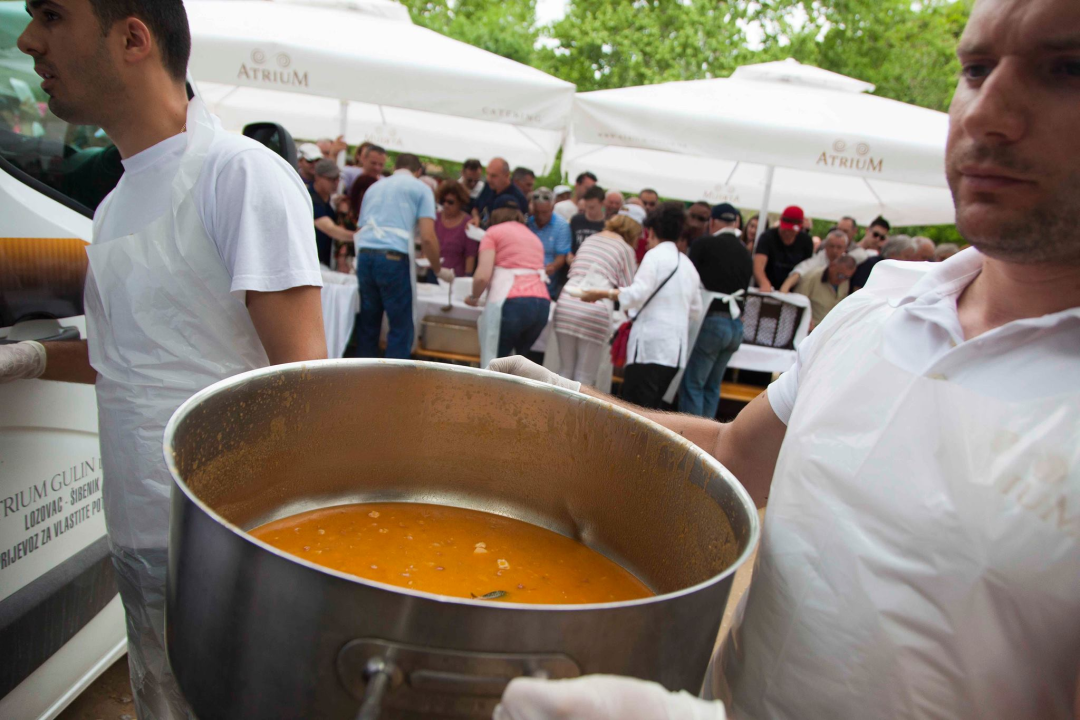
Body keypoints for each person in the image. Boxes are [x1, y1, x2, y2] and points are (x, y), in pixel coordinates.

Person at [490, 3, 1080, 718]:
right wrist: (568, 411)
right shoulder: (880, 306)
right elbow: (735, 457)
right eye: (976, 69)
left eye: (1066, 70)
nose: (989, 114)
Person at [4, 3, 328, 718]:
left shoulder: (240, 176)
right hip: (136, 527)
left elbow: (304, 388)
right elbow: (130, 357)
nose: (29, 42)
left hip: (222, 550)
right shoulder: (117, 204)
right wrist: (28, 358)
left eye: (51, 16)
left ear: (133, 38)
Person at [580, 202, 703, 409]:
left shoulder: (654, 257)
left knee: (635, 413)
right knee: (653, 412)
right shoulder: (688, 265)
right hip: (674, 352)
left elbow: (637, 293)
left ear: (652, 231)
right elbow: (696, 310)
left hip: (649, 347)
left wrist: (602, 293)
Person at [355, 153, 452, 359]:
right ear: (418, 172)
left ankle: (361, 381)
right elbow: (428, 237)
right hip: (393, 257)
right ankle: (395, 385)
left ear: (395, 167)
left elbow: (361, 226)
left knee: (368, 323)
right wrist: (437, 269)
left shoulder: (375, 187)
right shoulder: (421, 188)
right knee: (400, 326)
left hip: (365, 255)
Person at [679, 203, 752, 418]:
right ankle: (708, 439)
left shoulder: (704, 244)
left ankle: (692, 440)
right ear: (736, 223)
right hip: (735, 324)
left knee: (693, 384)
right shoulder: (746, 252)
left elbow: (689, 281)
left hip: (711, 322)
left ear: (712, 222)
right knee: (712, 386)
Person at [552, 212, 640, 387]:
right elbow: (629, 288)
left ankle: (555, 412)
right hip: (596, 307)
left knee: (565, 370)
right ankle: (575, 414)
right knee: (584, 375)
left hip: (567, 301)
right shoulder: (625, 249)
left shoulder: (590, 239)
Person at [467, 203, 551, 359]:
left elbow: (482, 276)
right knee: (517, 365)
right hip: (542, 305)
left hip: (513, 302)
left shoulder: (493, 233)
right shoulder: (533, 237)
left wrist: (474, 297)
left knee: (496, 364)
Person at [752, 205, 813, 292]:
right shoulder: (767, 237)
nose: (787, 233)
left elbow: (805, 268)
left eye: (791, 231)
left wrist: (788, 285)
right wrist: (763, 282)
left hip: (792, 293)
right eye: (785, 229)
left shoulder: (806, 241)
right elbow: (758, 264)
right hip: (765, 290)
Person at [526, 187, 572, 299]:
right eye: (537, 212)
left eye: (544, 212)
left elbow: (561, 257)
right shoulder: (528, 222)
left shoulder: (561, 226)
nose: (540, 216)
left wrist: (553, 266)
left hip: (547, 286)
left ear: (552, 208)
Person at [310, 159, 356, 267]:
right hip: (313, 262)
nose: (336, 183)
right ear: (317, 177)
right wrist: (360, 237)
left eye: (337, 178)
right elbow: (331, 229)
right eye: (331, 179)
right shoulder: (311, 199)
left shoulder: (331, 201)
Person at [794, 254, 858, 328]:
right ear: (832, 266)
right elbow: (797, 304)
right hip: (811, 329)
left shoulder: (845, 280)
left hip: (833, 328)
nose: (842, 280)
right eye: (840, 275)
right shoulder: (812, 278)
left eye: (847, 277)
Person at [778, 228, 851, 293]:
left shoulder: (849, 262)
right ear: (825, 246)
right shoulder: (817, 260)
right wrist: (785, 288)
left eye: (839, 247)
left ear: (845, 248)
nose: (835, 250)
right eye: (832, 246)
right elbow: (799, 271)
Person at [435, 180, 477, 277]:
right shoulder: (435, 218)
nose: (446, 205)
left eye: (450, 202)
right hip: (433, 274)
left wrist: (467, 277)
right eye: (443, 201)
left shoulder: (468, 223)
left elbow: (470, 255)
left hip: (456, 277)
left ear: (460, 202)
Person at [850, 234, 919, 291]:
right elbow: (858, 289)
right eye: (907, 256)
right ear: (893, 253)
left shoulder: (901, 272)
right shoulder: (871, 265)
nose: (909, 261)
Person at [474, 157, 528, 227]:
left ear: (507, 175)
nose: (489, 179)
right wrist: (476, 218)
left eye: (493, 176)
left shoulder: (519, 198)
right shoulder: (489, 186)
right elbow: (476, 208)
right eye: (487, 174)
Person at [569, 186, 607, 256]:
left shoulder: (607, 224)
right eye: (586, 206)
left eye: (592, 207)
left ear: (602, 204)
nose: (588, 210)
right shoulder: (576, 220)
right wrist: (569, 256)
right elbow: (569, 245)